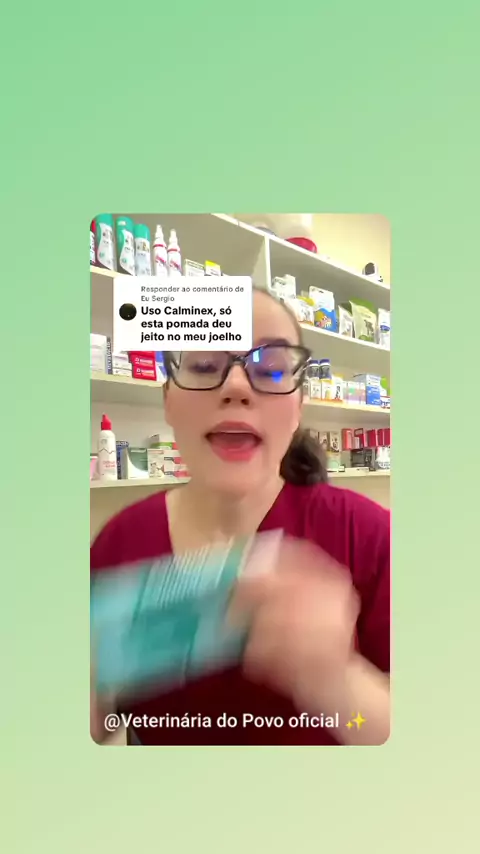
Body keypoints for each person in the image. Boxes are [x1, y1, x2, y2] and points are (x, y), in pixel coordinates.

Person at [91, 288, 390, 745]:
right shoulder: (118, 543)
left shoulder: (370, 536)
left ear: (298, 407)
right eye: (204, 365)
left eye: (271, 369)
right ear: (168, 399)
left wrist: (337, 681)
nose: (236, 387)